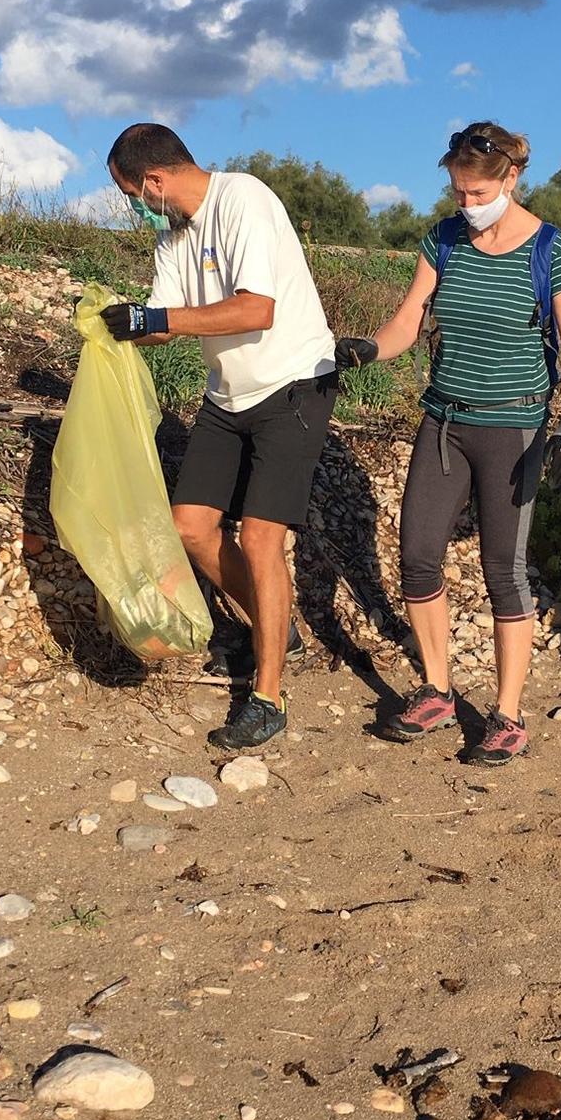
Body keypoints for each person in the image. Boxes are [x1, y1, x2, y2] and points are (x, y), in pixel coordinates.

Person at [332, 121, 561, 764]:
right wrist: (363, 351)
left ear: (510, 178)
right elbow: (408, 320)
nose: (467, 204)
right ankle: (437, 690)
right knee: (417, 557)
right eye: (458, 192)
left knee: (505, 573)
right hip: (444, 424)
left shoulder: (550, 250)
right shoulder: (444, 239)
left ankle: (507, 717)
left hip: (515, 428)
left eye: (478, 192)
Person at [99, 122, 336, 750]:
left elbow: (257, 309)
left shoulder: (245, 200)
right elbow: (164, 316)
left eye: (131, 194)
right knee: (191, 527)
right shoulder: (174, 237)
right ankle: (274, 627)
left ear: (154, 180)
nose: (136, 208)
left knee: (261, 539)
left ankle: (267, 696)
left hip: (293, 386)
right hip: (227, 394)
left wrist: (162, 320)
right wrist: (120, 324)